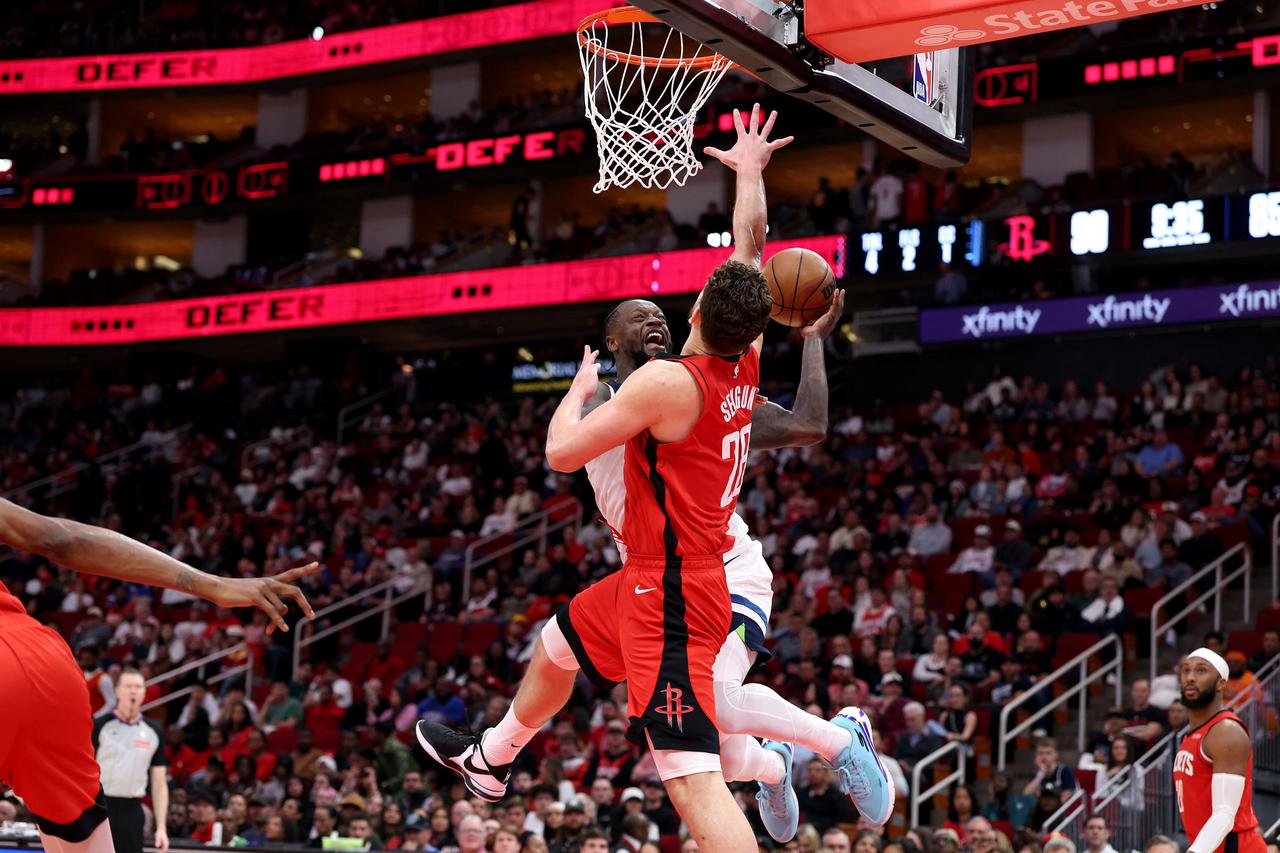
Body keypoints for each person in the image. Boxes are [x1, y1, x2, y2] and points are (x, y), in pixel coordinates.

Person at [416, 106, 849, 853]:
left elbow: (558, 453)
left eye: (662, 316)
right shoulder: (735, 360)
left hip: (679, 583)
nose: (655, 323)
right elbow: (750, 248)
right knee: (557, 642)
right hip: (657, 570)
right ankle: (492, 757)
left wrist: (574, 389)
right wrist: (748, 174)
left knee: (687, 774)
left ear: (691, 314)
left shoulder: (655, 391)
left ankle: (807, 755)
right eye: (638, 320)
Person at [0, 497, 317, 853]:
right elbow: (62, 537)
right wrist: (213, 585)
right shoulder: (106, 726)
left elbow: (160, 780)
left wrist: (162, 823)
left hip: (129, 804)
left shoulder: (152, 731)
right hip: (41, 662)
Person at [1173, 648, 1266, 853]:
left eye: (1201, 670)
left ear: (1221, 683)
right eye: (1186, 670)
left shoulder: (1226, 732)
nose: (1190, 677)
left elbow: (1225, 814)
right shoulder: (1193, 734)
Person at [93, 668, 169, 853]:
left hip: (132, 810)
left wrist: (161, 828)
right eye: (128, 686)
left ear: (144, 693)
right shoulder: (99, 725)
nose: (133, 691)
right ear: (117, 691)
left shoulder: (153, 731)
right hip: (100, 807)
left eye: (138, 687)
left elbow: (159, 783)